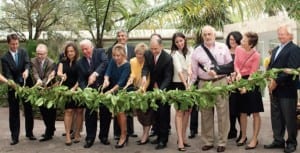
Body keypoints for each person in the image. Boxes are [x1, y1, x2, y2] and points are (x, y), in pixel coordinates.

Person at [190, 25, 232, 152]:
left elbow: (230, 66)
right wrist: (190, 86)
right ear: (202, 36)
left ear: (214, 35)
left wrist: (218, 72)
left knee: (223, 112)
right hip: (204, 84)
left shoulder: (223, 47)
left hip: (220, 82)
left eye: (209, 34)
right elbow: (194, 72)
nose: (207, 36)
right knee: (205, 113)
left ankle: (222, 142)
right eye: (205, 34)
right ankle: (208, 141)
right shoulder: (197, 51)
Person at [264, 24, 300, 153]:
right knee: (276, 116)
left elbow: (292, 69)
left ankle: (291, 142)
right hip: (274, 90)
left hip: (287, 90)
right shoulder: (275, 49)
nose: (280, 36)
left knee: (289, 117)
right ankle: (278, 140)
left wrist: (276, 81)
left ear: (290, 35)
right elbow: (270, 67)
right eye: (279, 34)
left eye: (283, 33)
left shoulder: (295, 49)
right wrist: (269, 79)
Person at [1, 34, 36, 145]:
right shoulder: (4, 58)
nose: (15, 46)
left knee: (28, 109)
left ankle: (29, 133)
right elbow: (7, 74)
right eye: (12, 44)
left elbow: (27, 63)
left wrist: (26, 70)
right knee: (14, 111)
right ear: (8, 44)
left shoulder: (23, 52)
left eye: (16, 44)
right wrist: (14, 85)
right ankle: (15, 136)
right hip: (13, 86)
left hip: (26, 84)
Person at [141, 37, 174, 150]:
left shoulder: (167, 58)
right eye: (152, 49)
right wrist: (144, 76)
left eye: (156, 49)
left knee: (163, 114)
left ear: (161, 46)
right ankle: (158, 135)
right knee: (155, 114)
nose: (153, 51)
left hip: (163, 89)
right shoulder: (148, 54)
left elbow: (168, 77)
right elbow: (145, 67)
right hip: (152, 88)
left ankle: (163, 140)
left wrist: (160, 90)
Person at [234, 32, 264, 150]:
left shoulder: (256, 55)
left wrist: (246, 87)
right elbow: (236, 63)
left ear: (250, 45)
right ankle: (243, 136)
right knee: (242, 111)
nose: (241, 41)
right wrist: (238, 73)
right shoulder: (238, 49)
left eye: (244, 40)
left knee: (255, 112)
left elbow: (253, 73)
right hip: (240, 79)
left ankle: (254, 139)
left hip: (252, 82)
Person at [77, 39, 109, 148]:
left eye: (86, 49)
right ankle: (90, 138)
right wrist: (84, 89)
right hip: (90, 92)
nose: (85, 51)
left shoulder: (100, 52)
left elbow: (105, 63)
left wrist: (95, 74)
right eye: (83, 50)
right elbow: (81, 79)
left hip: (104, 89)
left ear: (92, 47)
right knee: (90, 115)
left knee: (105, 113)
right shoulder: (80, 62)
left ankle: (103, 136)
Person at [106, 29, 137, 139]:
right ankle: (117, 133)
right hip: (114, 82)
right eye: (119, 36)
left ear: (127, 37)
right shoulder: (111, 50)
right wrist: (106, 79)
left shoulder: (133, 49)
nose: (121, 37)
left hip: (128, 83)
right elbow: (109, 66)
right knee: (117, 109)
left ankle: (129, 131)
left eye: (123, 36)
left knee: (127, 109)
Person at [103, 44, 131, 148]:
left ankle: (123, 136)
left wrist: (110, 91)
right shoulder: (113, 61)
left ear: (123, 55)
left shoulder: (127, 65)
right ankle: (124, 134)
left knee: (121, 113)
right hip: (113, 91)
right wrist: (106, 79)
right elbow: (107, 73)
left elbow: (121, 82)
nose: (116, 58)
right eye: (114, 55)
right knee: (117, 114)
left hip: (123, 91)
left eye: (118, 56)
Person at [125, 43, 152, 145]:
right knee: (140, 114)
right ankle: (145, 134)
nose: (138, 56)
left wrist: (141, 90)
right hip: (136, 88)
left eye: (141, 54)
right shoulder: (132, 61)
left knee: (146, 114)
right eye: (137, 53)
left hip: (146, 90)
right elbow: (132, 73)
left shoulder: (147, 62)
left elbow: (148, 78)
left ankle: (145, 135)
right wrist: (131, 79)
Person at [57, 42, 83, 146]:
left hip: (78, 89)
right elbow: (59, 72)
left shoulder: (80, 62)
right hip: (66, 89)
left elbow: (81, 78)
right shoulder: (62, 62)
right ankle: (68, 135)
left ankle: (77, 133)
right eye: (68, 51)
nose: (70, 53)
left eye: (72, 51)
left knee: (79, 111)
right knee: (68, 110)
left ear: (75, 52)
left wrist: (74, 88)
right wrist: (61, 75)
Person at [170, 32, 193, 151]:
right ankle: (179, 141)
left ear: (185, 40)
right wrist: (185, 84)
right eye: (177, 42)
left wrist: (189, 80)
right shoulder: (174, 54)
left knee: (187, 111)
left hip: (189, 83)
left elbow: (190, 65)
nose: (180, 43)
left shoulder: (190, 51)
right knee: (179, 112)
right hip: (179, 84)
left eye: (181, 41)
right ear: (174, 43)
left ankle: (183, 137)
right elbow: (179, 70)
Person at [31, 44, 57, 142]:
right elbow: (34, 73)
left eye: (42, 54)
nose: (39, 56)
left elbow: (48, 76)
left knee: (50, 111)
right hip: (39, 88)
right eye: (38, 54)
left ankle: (49, 132)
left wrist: (43, 83)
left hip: (49, 88)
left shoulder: (51, 63)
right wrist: (38, 80)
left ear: (46, 54)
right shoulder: (33, 61)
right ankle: (50, 129)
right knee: (43, 110)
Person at [225, 31, 243, 141]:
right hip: (227, 83)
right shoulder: (225, 51)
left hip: (240, 82)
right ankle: (232, 130)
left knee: (240, 109)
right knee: (230, 109)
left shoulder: (242, 51)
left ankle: (242, 132)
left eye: (235, 39)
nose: (233, 42)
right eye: (231, 39)